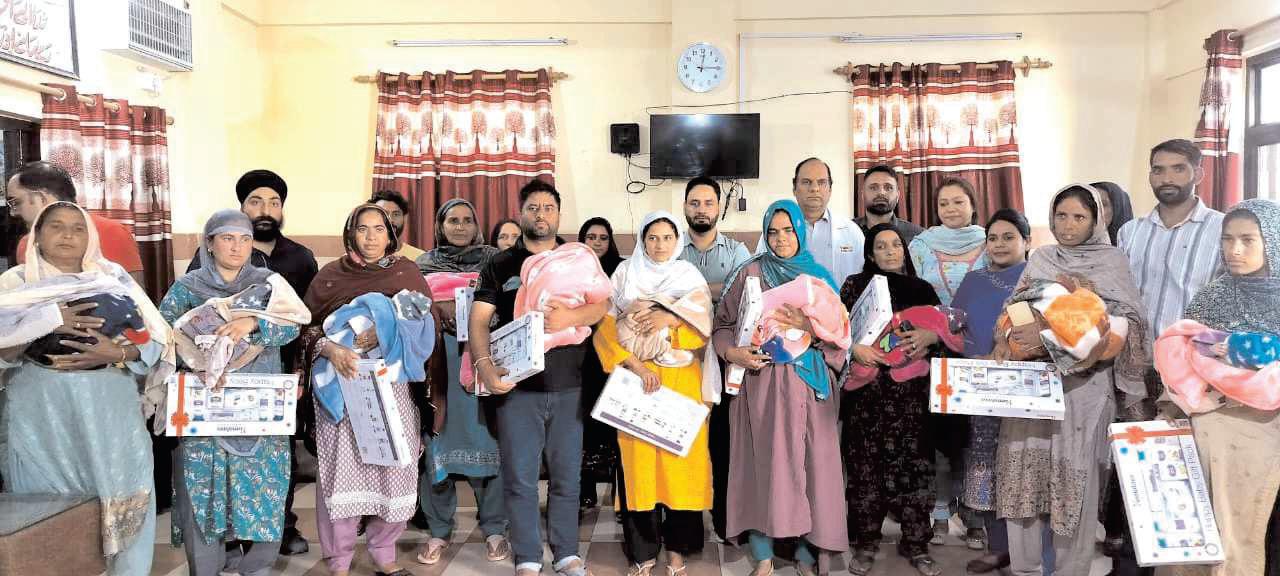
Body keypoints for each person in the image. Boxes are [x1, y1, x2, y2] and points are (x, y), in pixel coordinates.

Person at [0, 201, 169, 576]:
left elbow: (157, 343)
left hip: (111, 417)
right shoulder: (16, 284)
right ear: (37, 236)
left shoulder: (113, 279)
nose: (67, 235)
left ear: (90, 237)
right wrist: (46, 322)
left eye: (78, 228)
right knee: (47, 513)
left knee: (122, 499)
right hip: (42, 418)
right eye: (56, 227)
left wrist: (117, 352)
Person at [994, 184, 1150, 576]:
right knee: (1023, 478)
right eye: (1061, 215)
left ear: (1097, 220)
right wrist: (1022, 337)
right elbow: (1014, 309)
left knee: (1075, 485)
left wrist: (1053, 335)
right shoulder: (1042, 258)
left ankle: (1071, 570)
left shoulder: (1112, 261)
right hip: (1032, 390)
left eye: (1079, 217)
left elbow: (1128, 325)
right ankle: (1025, 569)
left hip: (1085, 392)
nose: (1068, 225)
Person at [469, 179, 608, 576]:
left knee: (567, 477)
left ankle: (566, 553)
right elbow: (478, 321)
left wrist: (571, 318)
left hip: (570, 385)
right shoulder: (499, 264)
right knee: (520, 477)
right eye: (533, 208)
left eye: (548, 208)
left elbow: (602, 305)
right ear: (521, 212)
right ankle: (528, 556)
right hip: (517, 388)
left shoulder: (577, 257)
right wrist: (483, 366)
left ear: (558, 214)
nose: (541, 215)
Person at [158, 210, 308, 576]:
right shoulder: (188, 287)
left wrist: (254, 321)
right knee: (202, 491)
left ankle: (257, 565)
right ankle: (206, 567)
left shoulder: (270, 284)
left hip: (257, 406)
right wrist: (196, 355)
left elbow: (294, 326)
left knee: (264, 489)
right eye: (227, 238)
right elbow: (163, 336)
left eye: (244, 238)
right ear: (209, 243)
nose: (237, 246)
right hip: (206, 408)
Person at [186, 168, 319, 555]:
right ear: (241, 207)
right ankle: (228, 534)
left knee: (277, 456)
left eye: (274, 203)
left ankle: (281, 527)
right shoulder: (204, 263)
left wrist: (298, 372)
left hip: (277, 373)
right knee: (226, 455)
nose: (266, 209)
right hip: (219, 378)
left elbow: (303, 319)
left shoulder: (300, 258)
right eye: (256, 201)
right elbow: (188, 320)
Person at [297, 203, 434, 576]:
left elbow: (427, 325)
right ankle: (339, 562)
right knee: (340, 476)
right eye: (363, 229)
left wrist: (391, 331)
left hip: (394, 393)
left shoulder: (407, 272)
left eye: (380, 229)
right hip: (341, 393)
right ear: (350, 233)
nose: (371, 237)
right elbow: (304, 329)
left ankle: (384, 555)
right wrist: (332, 349)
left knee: (396, 469)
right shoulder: (330, 276)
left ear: (391, 235)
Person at [717, 199, 851, 576]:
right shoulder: (749, 273)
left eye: (788, 230)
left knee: (813, 469)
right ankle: (763, 555)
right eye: (772, 232)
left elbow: (841, 335)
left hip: (810, 386)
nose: (780, 239)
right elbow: (723, 324)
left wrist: (808, 328)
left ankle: (808, 554)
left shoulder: (819, 277)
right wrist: (733, 353)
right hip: (761, 384)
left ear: (801, 231)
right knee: (764, 467)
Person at [1157, 199, 1280, 576]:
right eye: (1228, 240)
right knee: (1190, 525)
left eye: (1247, 240)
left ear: (1272, 240)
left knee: (1238, 528)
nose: (1234, 251)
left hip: (1261, 429)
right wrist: (1170, 408)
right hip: (1201, 419)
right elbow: (1178, 356)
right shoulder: (1213, 295)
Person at [593, 210, 715, 576]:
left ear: (678, 240)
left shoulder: (688, 276)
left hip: (682, 383)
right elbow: (605, 329)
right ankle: (643, 553)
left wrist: (672, 319)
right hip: (636, 383)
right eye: (652, 238)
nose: (660, 245)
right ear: (643, 241)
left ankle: (679, 551)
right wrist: (638, 365)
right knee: (639, 469)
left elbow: (703, 330)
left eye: (667, 238)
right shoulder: (625, 275)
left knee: (682, 468)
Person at [841, 223, 948, 576]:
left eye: (895, 245)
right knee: (864, 473)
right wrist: (854, 348)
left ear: (904, 250)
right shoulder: (856, 287)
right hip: (866, 400)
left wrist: (930, 338)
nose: (889, 251)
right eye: (881, 246)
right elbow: (838, 333)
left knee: (915, 471)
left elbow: (946, 335)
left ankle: (916, 543)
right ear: (870, 254)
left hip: (912, 401)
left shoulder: (923, 289)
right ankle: (866, 542)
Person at [413, 199, 510, 565]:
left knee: (488, 443)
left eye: (467, 219)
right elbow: (409, 309)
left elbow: (510, 303)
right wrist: (438, 311)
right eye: (452, 220)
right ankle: (439, 531)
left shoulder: (494, 261)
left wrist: (478, 317)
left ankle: (495, 529)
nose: (459, 226)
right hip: (438, 368)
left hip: (482, 363)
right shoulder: (421, 264)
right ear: (440, 225)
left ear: (477, 224)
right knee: (437, 446)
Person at [950, 209, 1032, 574]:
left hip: (1026, 387)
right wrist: (976, 356)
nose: (999, 244)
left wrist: (1009, 354)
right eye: (993, 238)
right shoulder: (973, 280)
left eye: (1008, 237)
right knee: (984, 462)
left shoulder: (1038, 280)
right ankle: (997, 545)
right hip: (980, 386)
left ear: (1026, 241)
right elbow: (954, 326)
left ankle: (1029, 548)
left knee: (1023, 464)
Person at [907, 176, 987, 541]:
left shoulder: (991, 241)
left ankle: (974, 516)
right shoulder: (921, 245)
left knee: (975, 442)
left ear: (973, 204)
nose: (951, 210)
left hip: (980, 352)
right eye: (944, 204)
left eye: (958, 202)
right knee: (939, 441)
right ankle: (939, 514)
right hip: (933, 351)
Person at [677, 176, 751, 540]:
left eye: (708, 202)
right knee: (686, 441)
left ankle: (726, 523)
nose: (701, 209)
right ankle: (687, 528)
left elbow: (741, 292)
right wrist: (713, 291)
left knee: (724, 443)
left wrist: (685, 292)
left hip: (723, 358)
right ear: (685, 206)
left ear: (719, 207)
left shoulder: (738, 250)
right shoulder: (671, 248)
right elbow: (659, 290)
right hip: (681, 359)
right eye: (694, 202)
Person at [9, 161, 145, 286]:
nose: (12, 213)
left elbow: (136, 302)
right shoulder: (25, 245)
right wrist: (53, 313)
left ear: (41, 199)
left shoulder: (112, 232)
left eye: (16, 202)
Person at [755, 158, 865, 286]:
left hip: (840, 305)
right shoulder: (773, 233)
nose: (814, 188)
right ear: (794, 188)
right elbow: (761, 277)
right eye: (806, 182)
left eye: (822, 182)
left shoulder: (851, 231)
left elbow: (862, 281)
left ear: (830, 189)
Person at [577, 216, 624, 511]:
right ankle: (586, 491)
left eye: (603, 238)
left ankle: (622, 497)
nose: (596, 243)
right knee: (584, 426)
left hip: (615, 359)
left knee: (616, 426)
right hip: (582, 360)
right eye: (591, 237)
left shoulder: (622, 270)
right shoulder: (572, 271)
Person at [854, 164, 924, 246]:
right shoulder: (846, 232)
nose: (881, 193)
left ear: (898, 195)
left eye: (888, 187)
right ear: (862, 194)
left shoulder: (918, 236)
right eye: (873, 187)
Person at [371, 190, 427, 260]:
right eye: (383, 213)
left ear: (405, 218)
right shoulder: (358, 258)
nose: (390, 220)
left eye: (396, 214)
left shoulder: (421, 258)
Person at [1091, 182, 1134, 247]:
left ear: (1117, 209)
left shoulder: (1135, 247)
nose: (1094, 209)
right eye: (1090, 203)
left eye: (1103, 204)